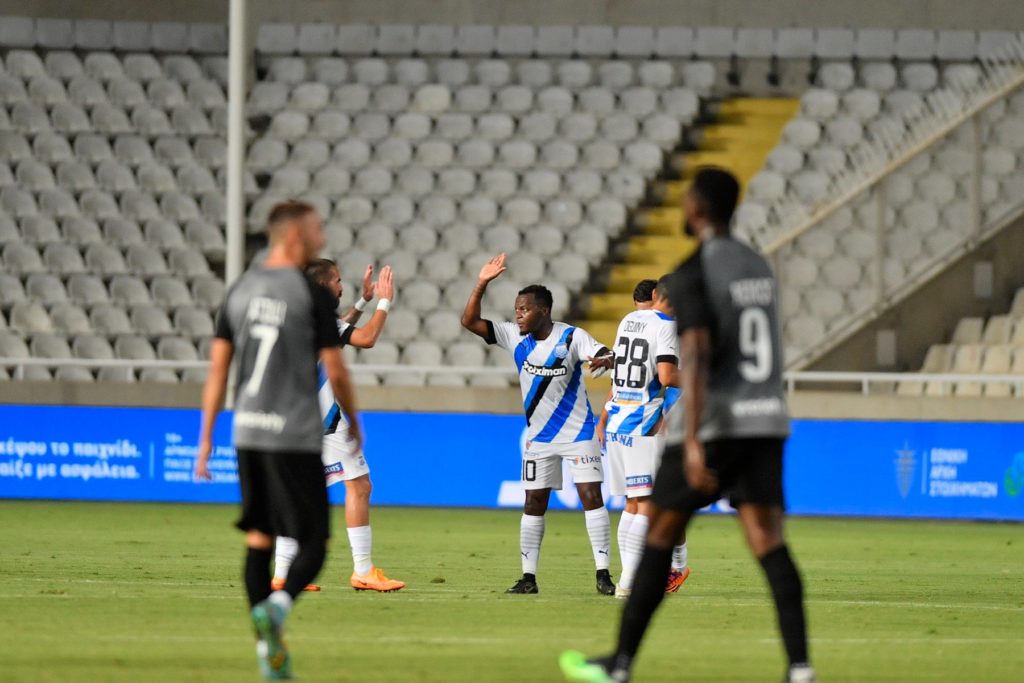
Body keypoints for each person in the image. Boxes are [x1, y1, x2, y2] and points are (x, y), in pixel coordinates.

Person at [560, 168, 814, 683]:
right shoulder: (758, 266)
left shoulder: (694, 271)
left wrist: (691, 437)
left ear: (697, 209)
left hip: (718, 422)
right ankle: (801, 669)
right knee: (769, 542)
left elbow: (694, 356)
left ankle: (621, 662)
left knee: (660, 529)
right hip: (766, 421)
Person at [195, 200, 361, 681]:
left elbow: (218, 371)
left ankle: (267, 653)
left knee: (259, 538)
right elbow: (335, 368)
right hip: (294, 435)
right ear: (294, 236)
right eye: (317, 228)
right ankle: (280, 607)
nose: (322, 236)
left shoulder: (240, 290)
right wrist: (355, 419)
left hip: (247, 432)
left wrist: (206, 438)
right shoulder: (311, 298)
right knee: (316, 543)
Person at [461, 253, 617, 596]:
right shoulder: (513, 336)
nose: (518, 314)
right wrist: (481, 283)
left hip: (579, 433)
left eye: (524, 309)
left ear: (543, 311)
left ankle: (603, 573)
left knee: (592, 496)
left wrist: (607, 358)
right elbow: (469, 321)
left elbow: (601, 352)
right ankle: (528, 577)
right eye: (516, 309)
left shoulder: (571, 337)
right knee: (533, 503)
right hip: (539, 438)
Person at [272, 259, 405, 593]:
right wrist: (385, 301)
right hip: (327, 423)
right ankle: (362, 570)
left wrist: (362, 302)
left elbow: (336, 331)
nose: (341, 287)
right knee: (359, 485)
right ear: (322, 286)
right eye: (337, 281)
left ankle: (282, 575)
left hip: (295, 423)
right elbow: (366, 338)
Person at [596, 275, 689, 599]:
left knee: (632, 505)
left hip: (618, 419)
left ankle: (629, 579)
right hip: (641, 423)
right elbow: (665, 375)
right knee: (647, 505)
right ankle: (629, 583)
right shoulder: (666, 326)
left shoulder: (629, 319)